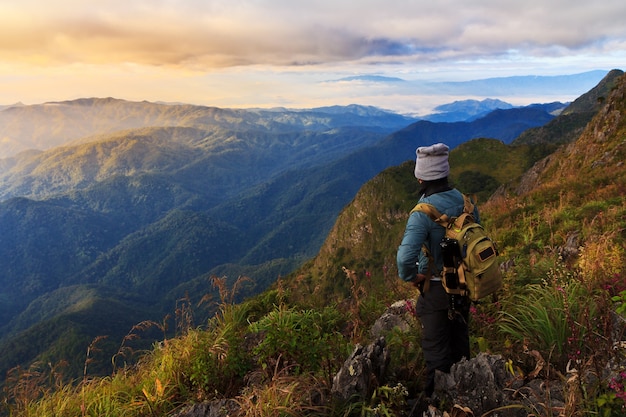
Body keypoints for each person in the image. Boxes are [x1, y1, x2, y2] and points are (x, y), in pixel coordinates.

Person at [396, 142, 479, 397]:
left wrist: (414, 277)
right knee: (460, 348)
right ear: (445, 170)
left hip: (436, 290)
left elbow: (404, 259)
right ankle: (468, 397)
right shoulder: (465, 203)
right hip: (464, 287)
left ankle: (435, 404)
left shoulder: (422, 213)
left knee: (436, 357)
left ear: (420, 177)